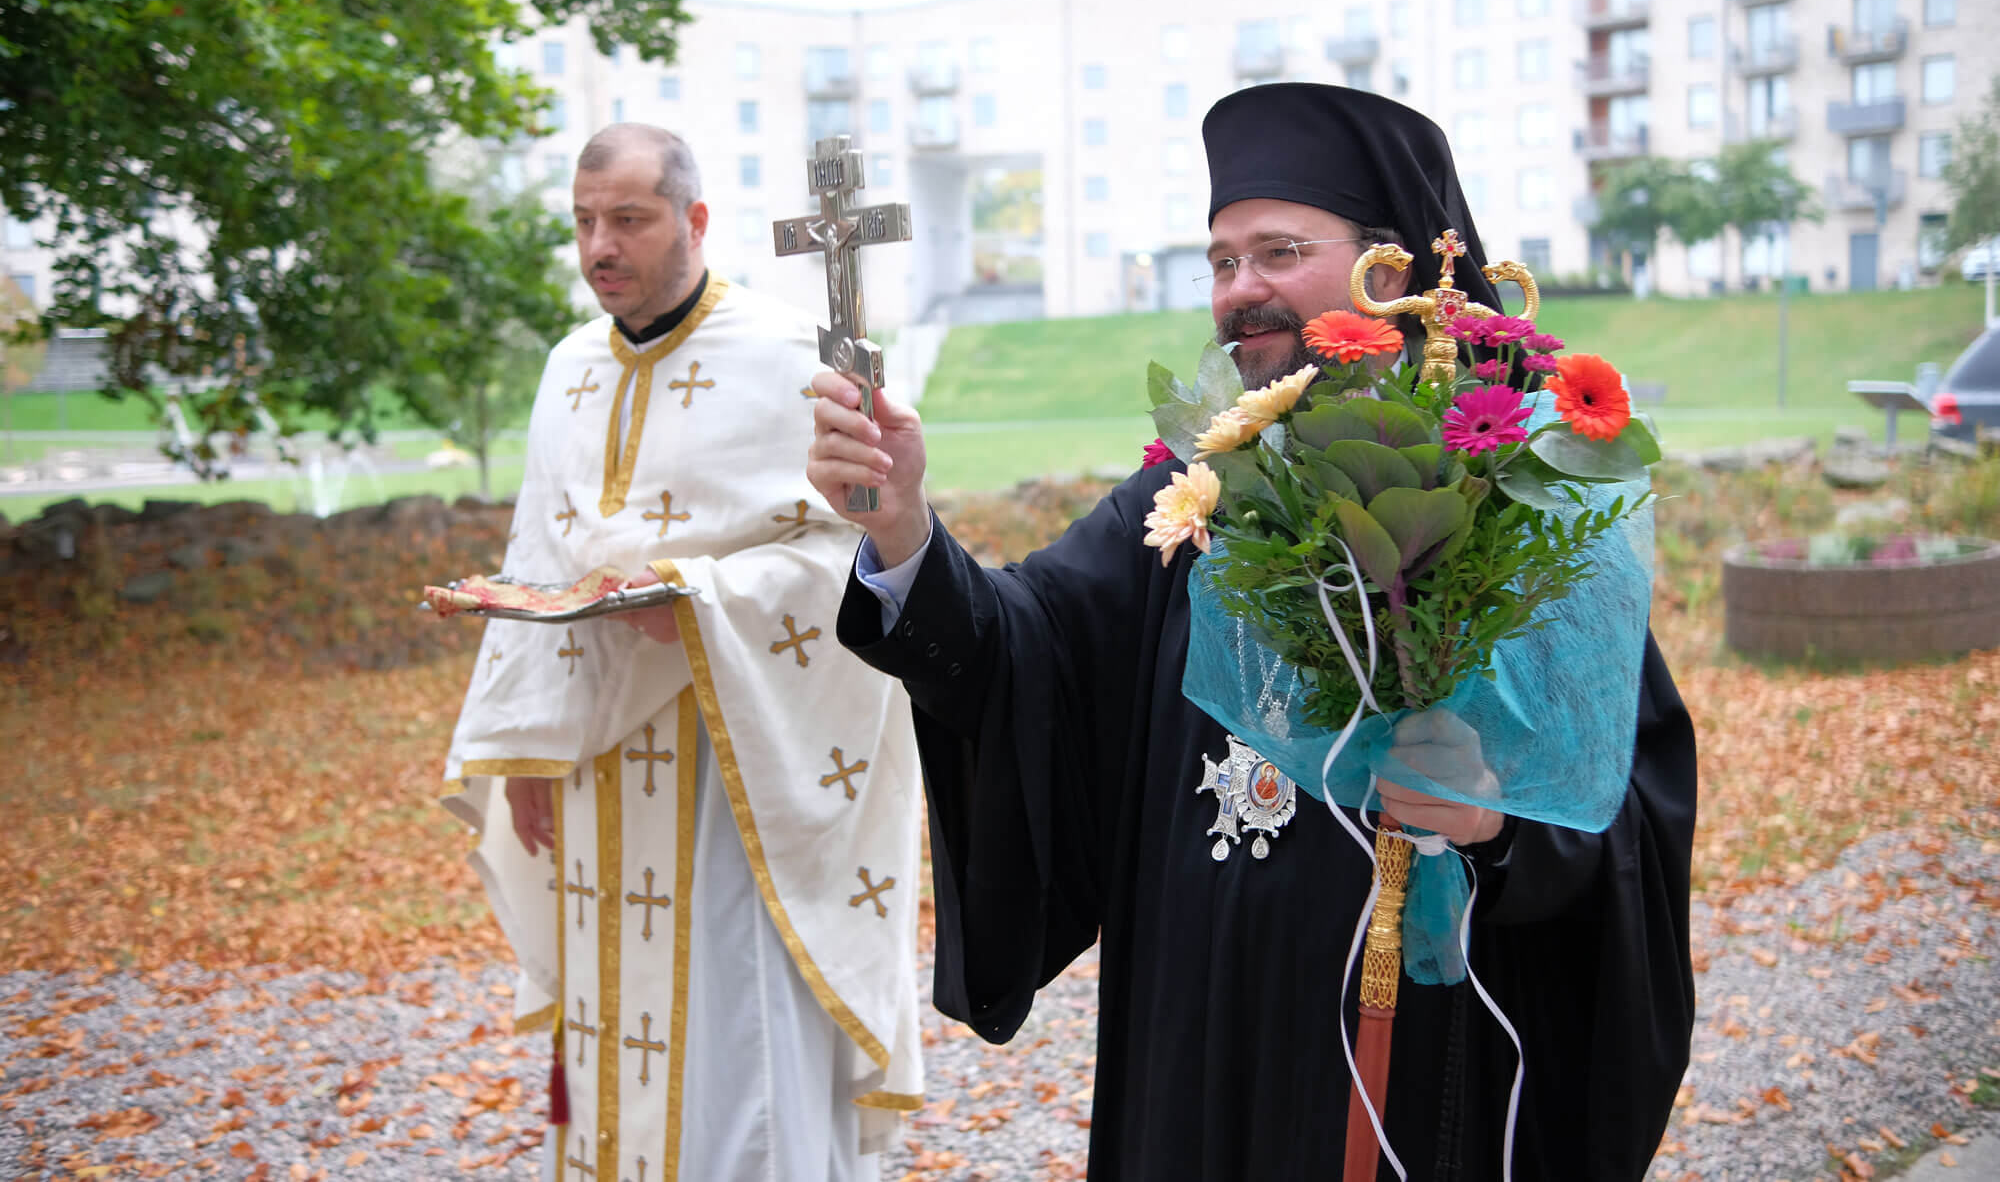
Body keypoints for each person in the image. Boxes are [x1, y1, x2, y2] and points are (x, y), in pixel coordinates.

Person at [807, 84, 1696, 1181]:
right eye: (1220, 261)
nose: (1240, 290)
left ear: (1400, 269)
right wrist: (902, 526)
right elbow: (1024, 644)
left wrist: (1492, 827)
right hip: (1195, 1026)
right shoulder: (1189, 491)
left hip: (1406, 1059)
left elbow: (1624, 809)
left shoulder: (1517, 492)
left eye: (1276, 250)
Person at [441, 123, 923, 1182]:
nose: (599, 245)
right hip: (600, 751)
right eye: (582, 222)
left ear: (694, 221)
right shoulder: (568, 365)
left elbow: (857, 550)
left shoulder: (790, 354)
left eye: (628, 218)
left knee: (735, 1013)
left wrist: (697, 602)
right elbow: (535, 548)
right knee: (612, 1011)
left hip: (743, 755)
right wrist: (524, 744)